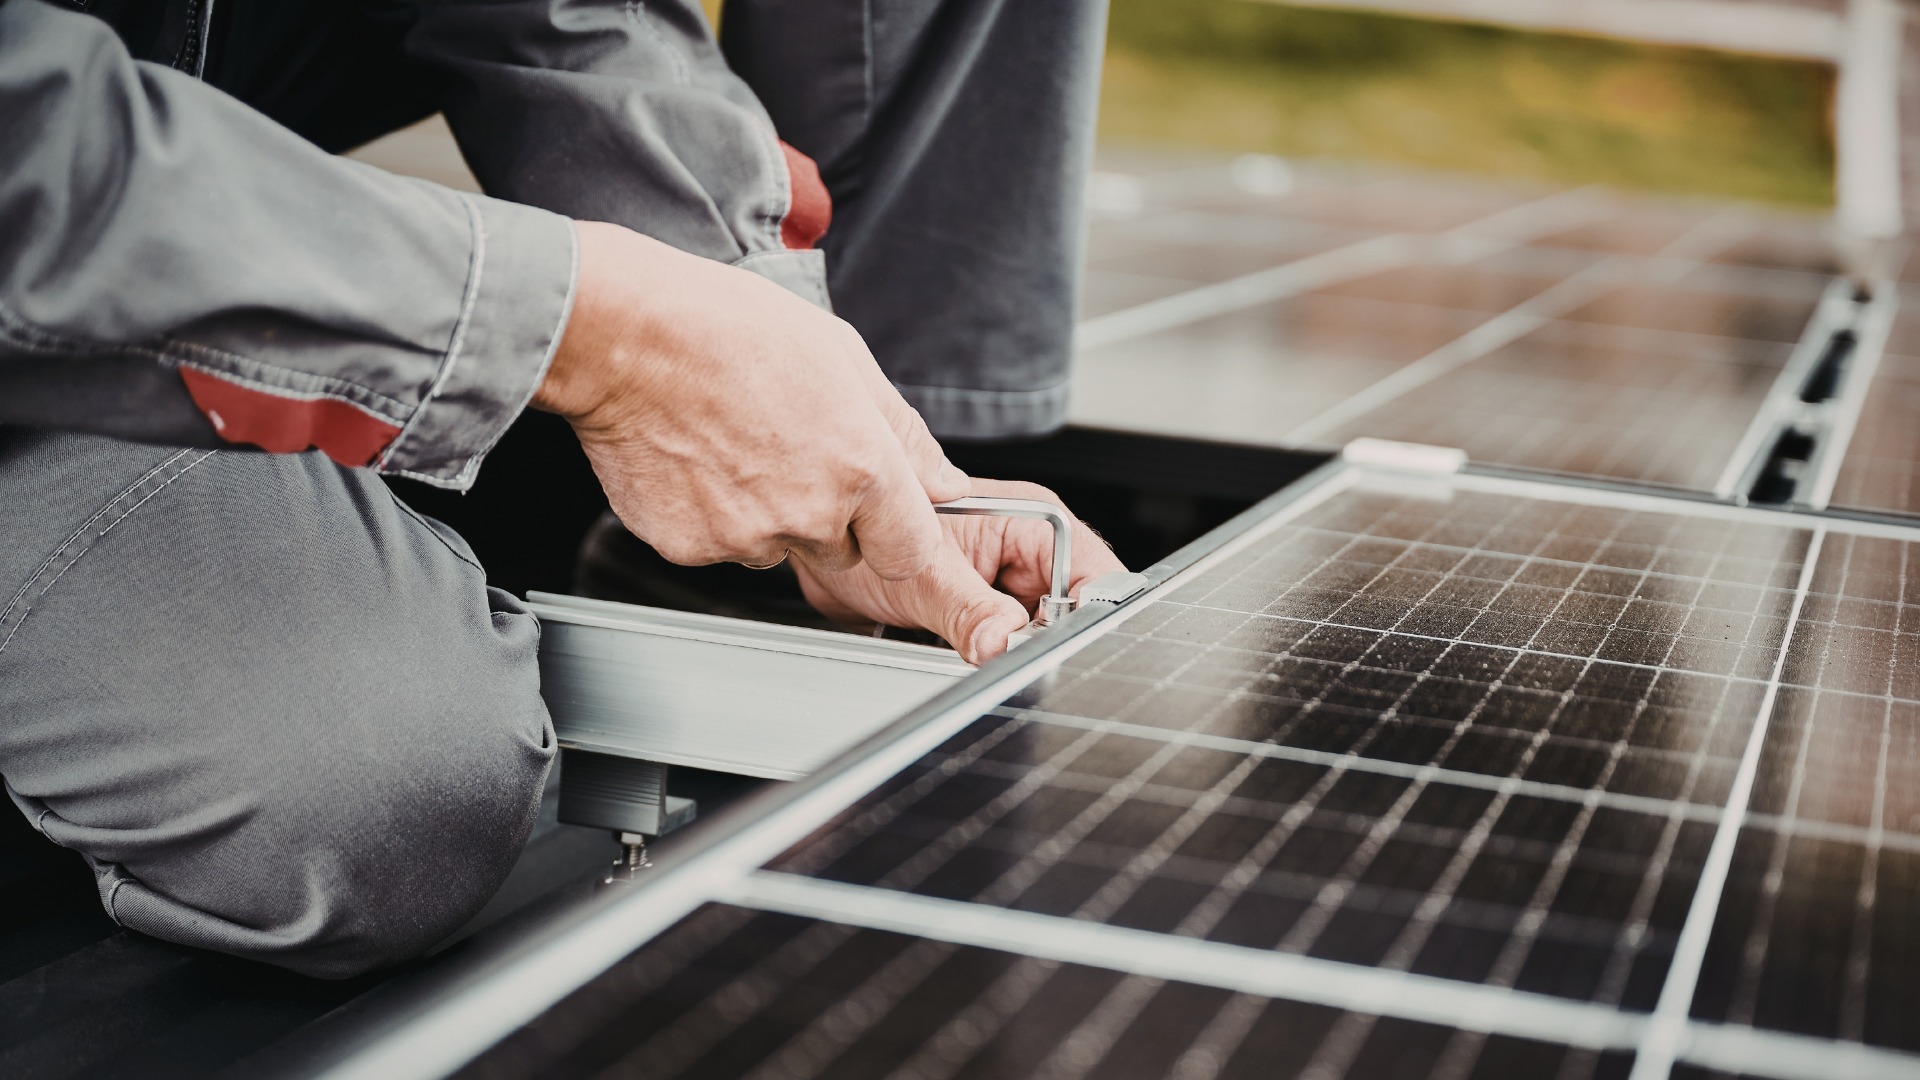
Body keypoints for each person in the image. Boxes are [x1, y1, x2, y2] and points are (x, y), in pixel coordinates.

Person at [0, 0, 1116, 977]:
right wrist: (590, 336)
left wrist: (804, 395)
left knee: (383, 786)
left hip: (184, 82)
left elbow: (566, 12)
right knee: (373, 788)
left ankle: (772, 547)